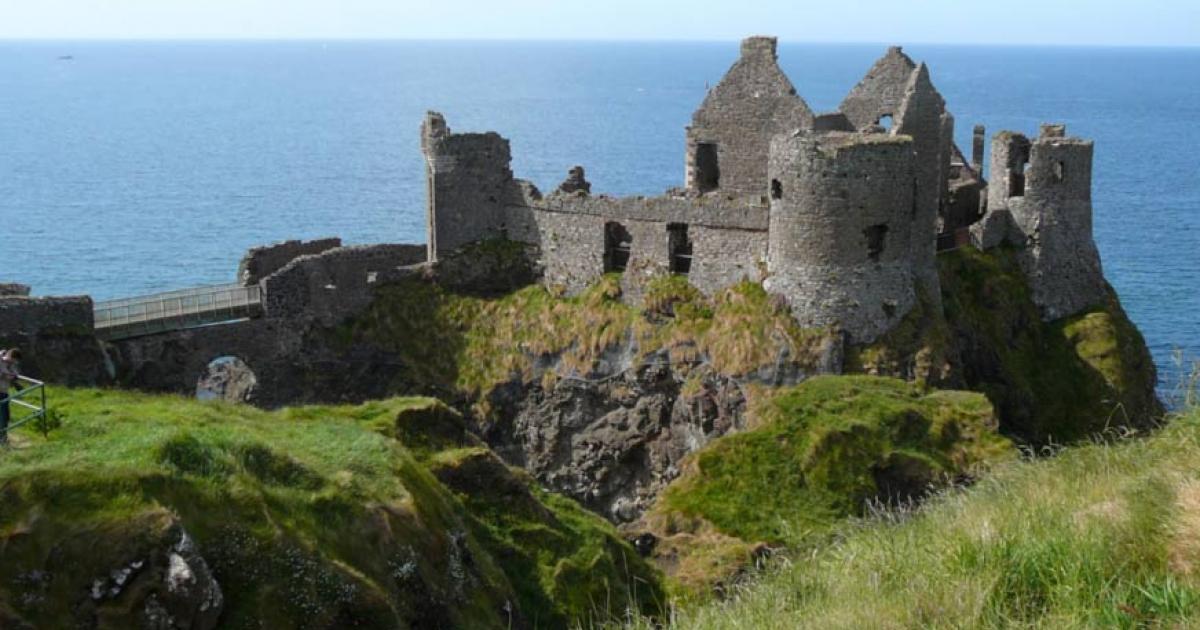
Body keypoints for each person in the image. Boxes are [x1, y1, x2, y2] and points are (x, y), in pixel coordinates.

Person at [0, 348, 21, 446]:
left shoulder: (10, 365)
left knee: (6, 416)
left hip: (4, 391)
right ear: (9, 356)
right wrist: (9, 375)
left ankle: (3, 437)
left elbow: (15, 375)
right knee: (2, 416)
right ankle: (2, 439)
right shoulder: (1, 362)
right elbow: (3, 374)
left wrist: (10, 375)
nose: (14, 362)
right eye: (14, 359)